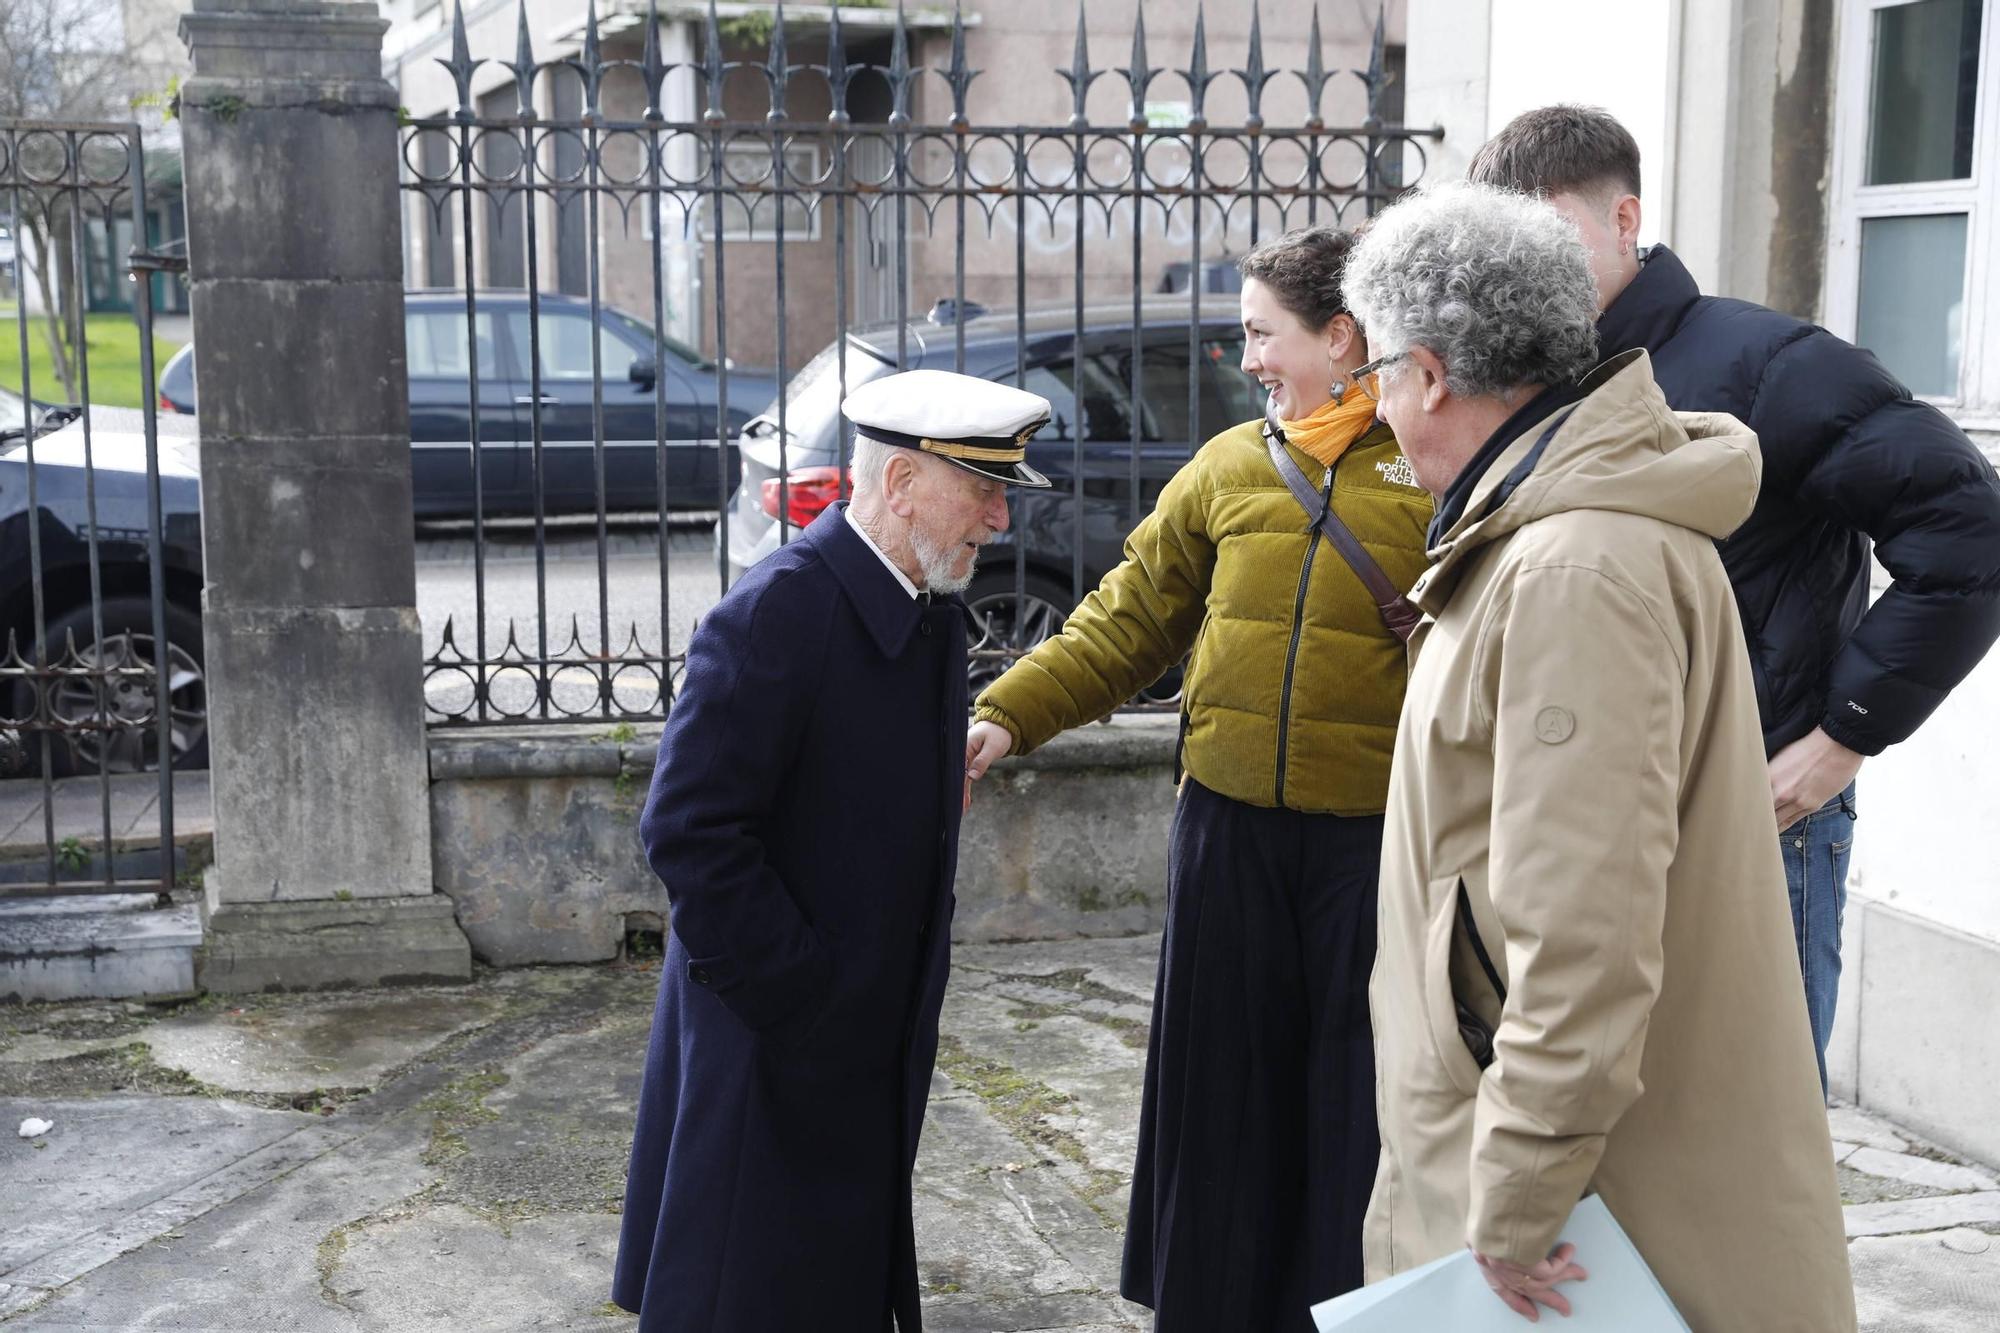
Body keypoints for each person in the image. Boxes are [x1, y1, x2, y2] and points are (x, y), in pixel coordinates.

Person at [1346, 180, 1855, 1330]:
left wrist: (1516, 1196)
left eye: (1377, 374)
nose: (1376, 409)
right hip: (1575, 1162)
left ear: (1428, 372)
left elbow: (1583, 927)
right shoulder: (1557, 533)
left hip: (1592, 1210)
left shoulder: (1571, 567)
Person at [1469, 105, 2000, 1093]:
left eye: (1550, 237)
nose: (1524, 272)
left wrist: (1843, 733)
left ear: (1624, 219)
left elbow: (1968, 530)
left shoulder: (1769, 363)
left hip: (1754, 820)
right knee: (1601, 1134)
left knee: (1748, 1131)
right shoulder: (1517, 386)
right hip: (1576, 820)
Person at [963, 225, 1433, 1327]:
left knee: (1351, 1097)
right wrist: (1002, 717)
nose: (1245, 358)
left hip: (1372, 845)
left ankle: (1341, 1308)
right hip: (1226, 830)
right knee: (1221, 1088)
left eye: (1260, 333)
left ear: (1342, 335)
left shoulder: (1432, 466)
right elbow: (1124, 623)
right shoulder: (1228, 465)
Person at [610, 369, 1052, 1332]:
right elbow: (689, 830)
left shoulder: (920, 600)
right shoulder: (780, 609)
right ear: (900, 486)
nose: (1000, 520)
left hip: (858, 1041)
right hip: (779, 1046)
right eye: (983, 490)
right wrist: (806, 998)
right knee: (747, 1292)